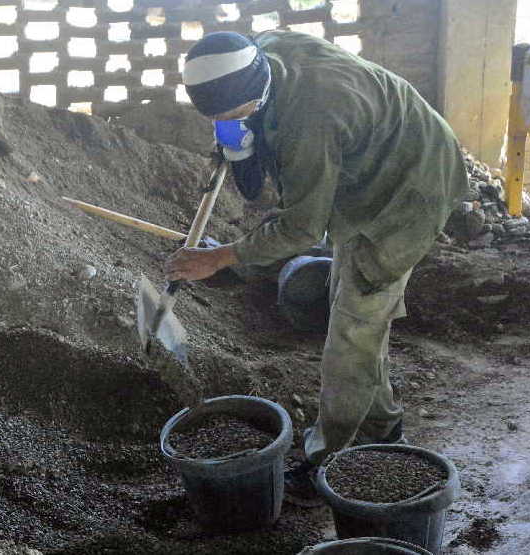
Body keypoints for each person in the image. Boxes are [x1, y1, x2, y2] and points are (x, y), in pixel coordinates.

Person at [165, 30, 468, 504]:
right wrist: (233, 138)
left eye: (232, 114)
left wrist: (221, 257)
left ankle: (331, 455)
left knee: (352, 329)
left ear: (256, 91)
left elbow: (303, 229)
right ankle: (384, 430)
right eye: (215, 118)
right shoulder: (265, 50)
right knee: (359, 321)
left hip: (407, 191)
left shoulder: (312, 121)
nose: (225, 122)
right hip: (372, 158)